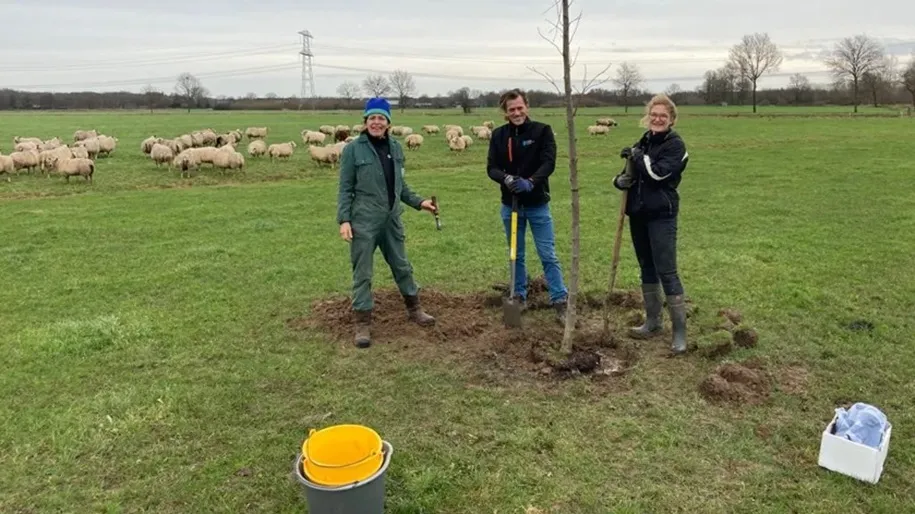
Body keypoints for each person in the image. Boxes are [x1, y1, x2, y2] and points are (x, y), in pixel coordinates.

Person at [337, 97, 438, 348]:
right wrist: (344, 220)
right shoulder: (352, 150)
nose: (376, 122)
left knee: (402, 265)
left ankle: (415, 309)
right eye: (372, 118)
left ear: (388, 122)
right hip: (364, 221)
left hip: (391, 219)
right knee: (363, 272)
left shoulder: (396, 148)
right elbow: (344, 188)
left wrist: (419, 202)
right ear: (365, 121)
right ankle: (362, 323)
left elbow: (400, 185)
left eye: (381, 118)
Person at [612, 93, 690, 355]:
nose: (657, 119)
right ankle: (653, 322)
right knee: (646, 266)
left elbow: (657, 173)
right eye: (653, 115)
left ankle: (679, 332)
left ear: (671, 120)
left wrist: (638, 157)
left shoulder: (675, 146)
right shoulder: (643, 141)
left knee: (666, 270)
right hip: (639, 214)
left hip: (661, 215)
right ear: (648, 117)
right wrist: (619, 180)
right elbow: (631, 174)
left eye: (663, 116)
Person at [486, 88, 569, 324]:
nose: (516, 112)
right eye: (511, 109)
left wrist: (531, 182)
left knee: (547, 253)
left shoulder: (542, 131)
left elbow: (548, 162)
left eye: (520, 107)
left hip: (537, 204)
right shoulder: (499, 135)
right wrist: (507, 179)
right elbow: (491, 167)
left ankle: (559, 298)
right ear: (505, 112)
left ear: (527, 107)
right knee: (516, 254)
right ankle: (519, 295)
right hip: (510, 205)